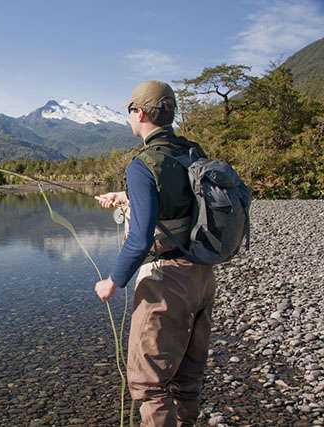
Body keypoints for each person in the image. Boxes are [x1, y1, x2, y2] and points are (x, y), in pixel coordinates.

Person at [94, 81, 216, 426]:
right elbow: (181, 205)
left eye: (130, 110)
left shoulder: (142, 164)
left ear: (141, 112)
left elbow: (139, 239)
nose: (129, 116)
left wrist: (113, 281)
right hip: (203, 276)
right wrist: (127, 196)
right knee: (186, 380)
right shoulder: (191, 152)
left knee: (148, 384)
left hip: (167, 283)